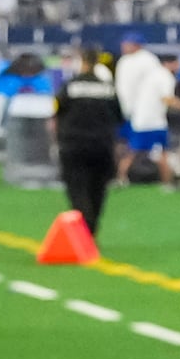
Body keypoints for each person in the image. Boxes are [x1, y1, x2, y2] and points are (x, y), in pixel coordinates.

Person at [52, 44, 124, 240]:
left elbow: (57, 111)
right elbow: (119, 116)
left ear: (82, 61)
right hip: (102, 145)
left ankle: (85, 226)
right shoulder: (107, 87)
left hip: (73, 144)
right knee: (98, 188)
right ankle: (92, 229)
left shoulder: (70, 86)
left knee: (77, 187)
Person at [116, 42, 178, 189]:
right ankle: (166, 182)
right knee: (141, 151)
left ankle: (166, 182)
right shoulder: (165, 77)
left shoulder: (154, 75)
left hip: (146, 119)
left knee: (142, 150)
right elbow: (167, 99)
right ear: (172, 63)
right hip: (151, 121)